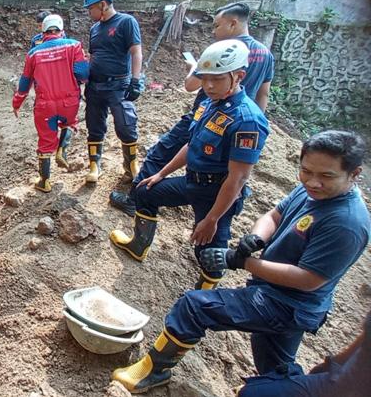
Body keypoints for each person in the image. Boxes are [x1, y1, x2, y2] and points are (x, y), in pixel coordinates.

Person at [111, 130, 370, 394]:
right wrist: (256, 238)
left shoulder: (346, 223)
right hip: (279, 293)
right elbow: (274, 215)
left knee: (195, 306)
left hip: (287, 303)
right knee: (274, 366)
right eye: (306, 171)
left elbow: (308, 279)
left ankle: (154, 370)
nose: (313, 182)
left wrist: (239, 260)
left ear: (354, 174)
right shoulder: (312, 191)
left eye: (326, 176)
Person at [109, 39, 269, 290]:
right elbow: (191, 145)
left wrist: (212, 218)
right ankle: (138, 245)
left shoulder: (247, 120)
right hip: (192, 181)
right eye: (205, 78)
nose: (208, 85)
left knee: (209, 253)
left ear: (239, 76)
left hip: (217, 193)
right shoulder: (208, 104)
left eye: (216, 79)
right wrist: (161, 174)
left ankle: (204, 294)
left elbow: (237, 179)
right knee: (145, 191)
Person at [110, 2, 275, 216]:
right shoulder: (265, 54)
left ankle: (135, 199)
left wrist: (193, 70)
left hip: (205, 115)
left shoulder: (220, 53)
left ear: (233, 23)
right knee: (226, 172)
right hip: (234, 124)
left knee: (160, 153)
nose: (214, 32)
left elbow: (190, 86)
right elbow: (263, 94)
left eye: (217, 26)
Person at [13, 14, 89, 192]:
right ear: (61, 30)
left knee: (46, 140)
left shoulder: (34, 53)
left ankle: (44, 182)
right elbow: (82, 74)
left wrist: (17, 102)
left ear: (43, 31)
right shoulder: (74, 45)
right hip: (69, 101)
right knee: (69, 123)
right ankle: (62, 149)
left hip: (45, 105)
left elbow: (25, 82)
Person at [82, 0, 144, 184]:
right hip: (95, 85)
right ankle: (94, 164)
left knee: (126, 125)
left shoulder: (126, 22)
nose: (89, 12)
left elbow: (136, 51)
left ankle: (131, 164)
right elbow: (94, 55)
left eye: (91, 8)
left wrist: (135, 80)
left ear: (102, 4)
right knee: (94, 125)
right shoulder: (94, 29)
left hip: (118, 84)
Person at [238, 309, 371, 397]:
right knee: (255, 391)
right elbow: (364, 343)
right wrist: (330, 366)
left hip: (348, 388)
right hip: (345, 381)